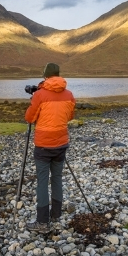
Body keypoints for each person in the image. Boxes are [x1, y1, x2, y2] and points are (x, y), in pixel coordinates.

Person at [24, 63, 76, 227]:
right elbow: (69, 117)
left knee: (42, 181)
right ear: (58, 75)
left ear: (45, 76)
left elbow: (29, 118)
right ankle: (56, 215)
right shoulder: (69, 95)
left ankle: (42, 222)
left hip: (43, 146)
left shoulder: (39, 95)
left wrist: (34, 100)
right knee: (57, 178)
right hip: (61, 143)